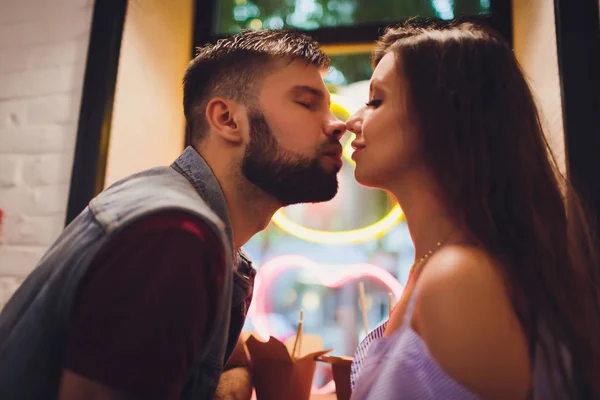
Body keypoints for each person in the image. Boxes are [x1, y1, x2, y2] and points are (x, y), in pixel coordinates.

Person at [0, 29, 346, 399]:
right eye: (308, 104)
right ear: (227, 119)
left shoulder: (179, 213)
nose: (337, 124)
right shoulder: (174, 236)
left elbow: (230, 358)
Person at [346, 20, 600, 399]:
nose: (352, 122)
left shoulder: (458, 278)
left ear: (441, 118)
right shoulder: (437, 266)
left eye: (376, 101)